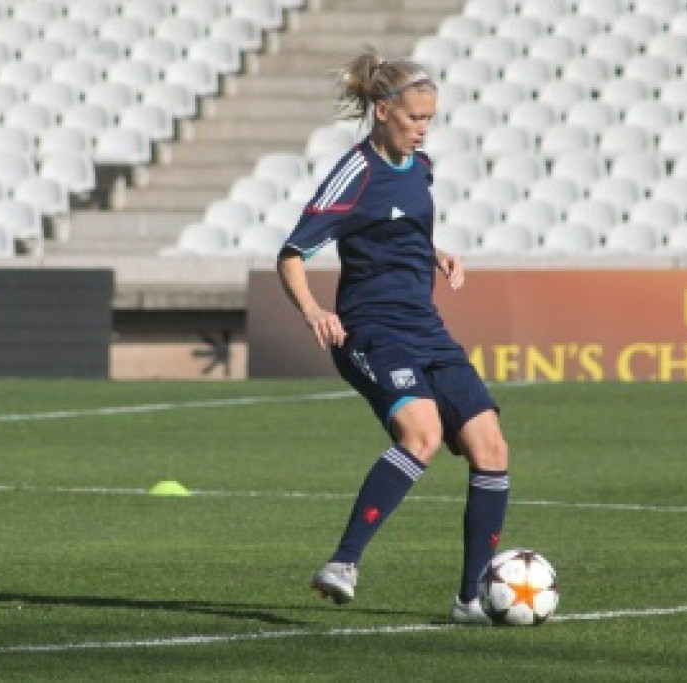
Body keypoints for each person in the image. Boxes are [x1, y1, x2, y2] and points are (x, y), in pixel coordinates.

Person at [276, 51, 511, 624]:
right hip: (373, 332)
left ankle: (470, 600)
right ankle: (343, 564)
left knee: (491, 447)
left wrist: (435, 252)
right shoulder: (355, 173)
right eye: (414, 118)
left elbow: (399, 225)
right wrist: (312, 310)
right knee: (421, 434)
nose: (423, 129)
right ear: (383, 112)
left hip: (426, 328)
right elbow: (292, 253)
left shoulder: (419, 166)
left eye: (430, 118)